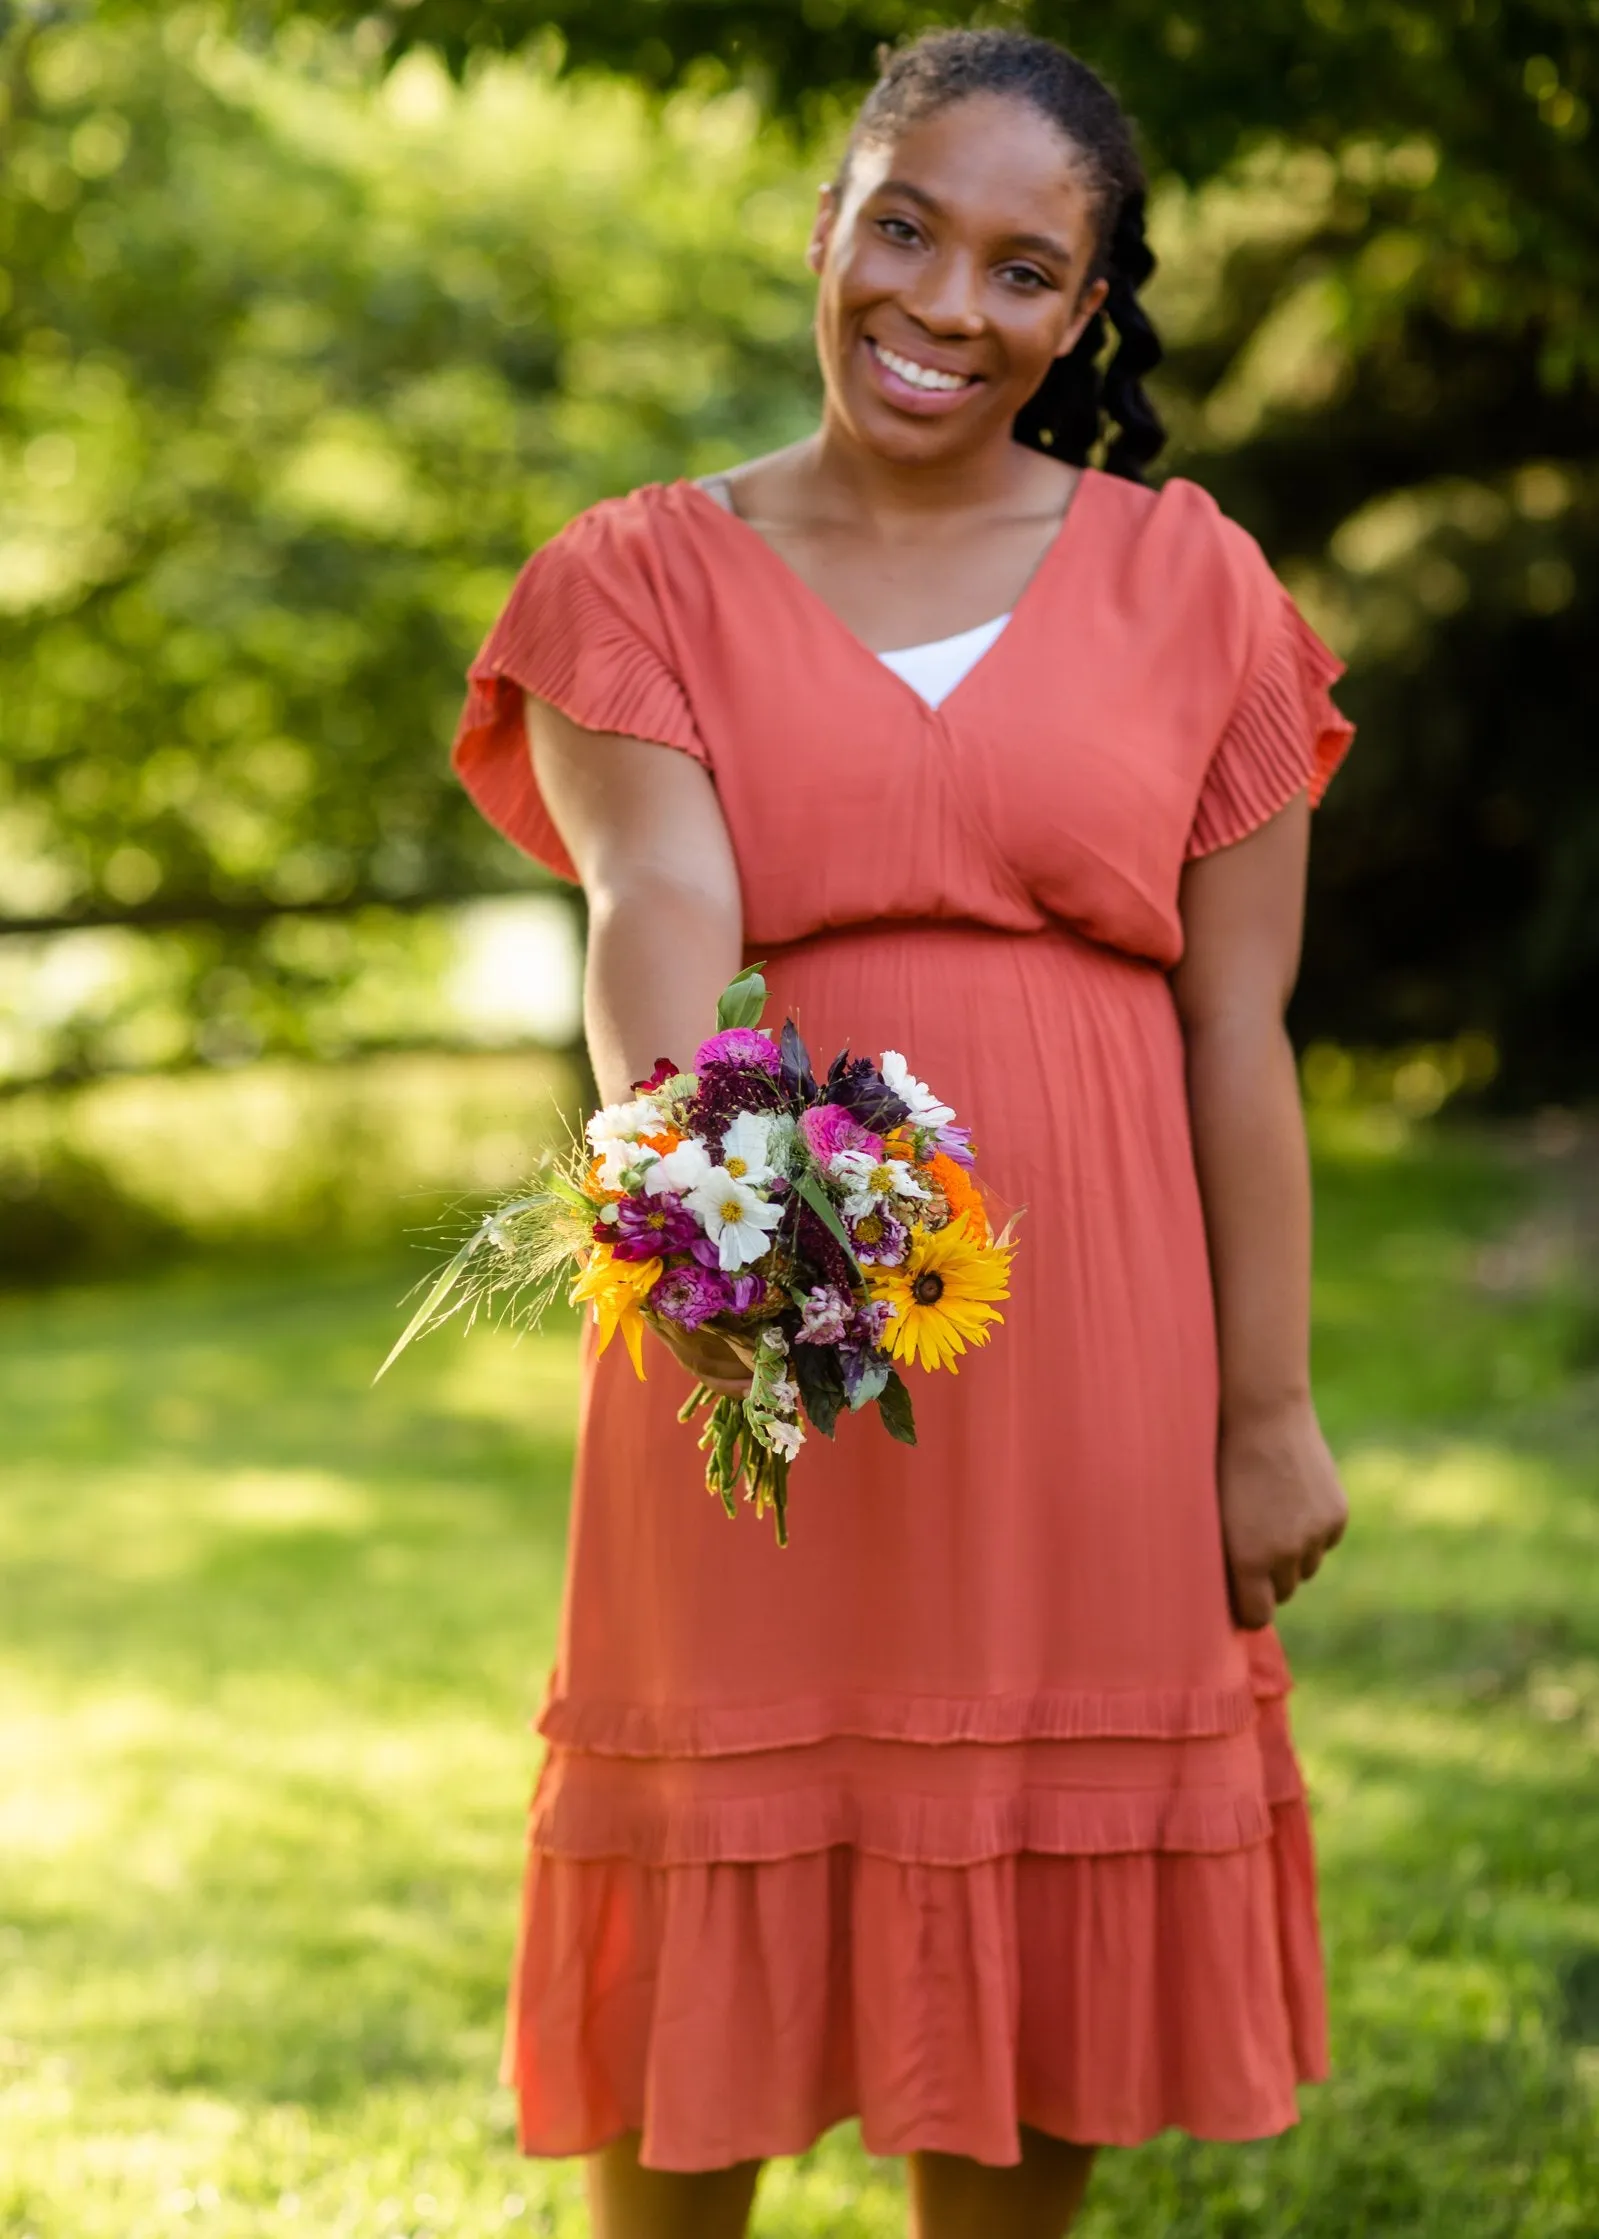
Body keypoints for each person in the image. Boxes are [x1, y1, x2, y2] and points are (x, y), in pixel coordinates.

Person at [452, 26, 1353, 2239]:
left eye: (1024, 269)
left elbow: (1239, 1030)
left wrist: (1265, 1413)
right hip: (756, 1308)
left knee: (1025, 1929)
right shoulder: (637, 574)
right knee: (712, 1886)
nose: (949, 306)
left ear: (1087, 313)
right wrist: (716, 1228)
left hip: (1095, 1369)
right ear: (829, 229)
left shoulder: (1197, 590)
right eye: (906, 229)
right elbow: (659, 900)